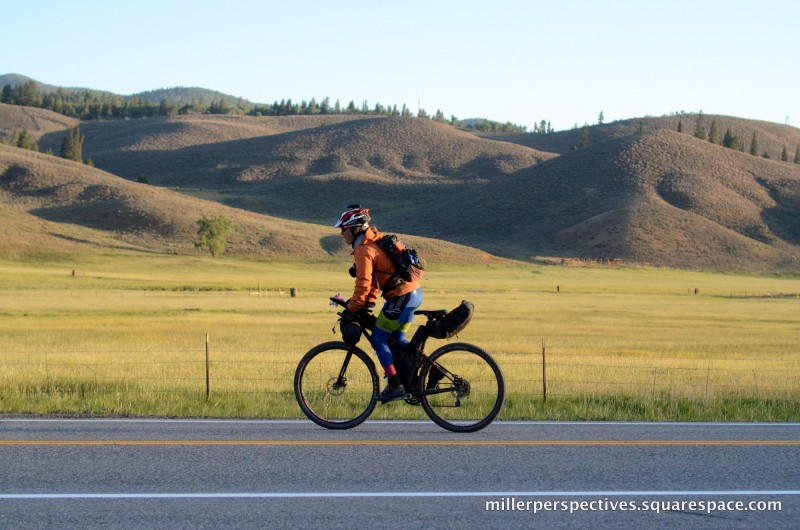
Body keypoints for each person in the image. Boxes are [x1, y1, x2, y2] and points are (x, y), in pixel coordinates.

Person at [334, 205, 422, 402]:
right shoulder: (375, 241)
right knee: (398, 339)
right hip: (413, 294)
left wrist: (353, 307)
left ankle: (394, 385)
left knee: (379, 338)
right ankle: (431, 371)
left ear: (355, 228)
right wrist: (365, 304)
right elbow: (373, 283)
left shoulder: (363, 249)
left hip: (401, 296)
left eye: (343, 229)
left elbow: (364, 284)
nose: (341, 233)